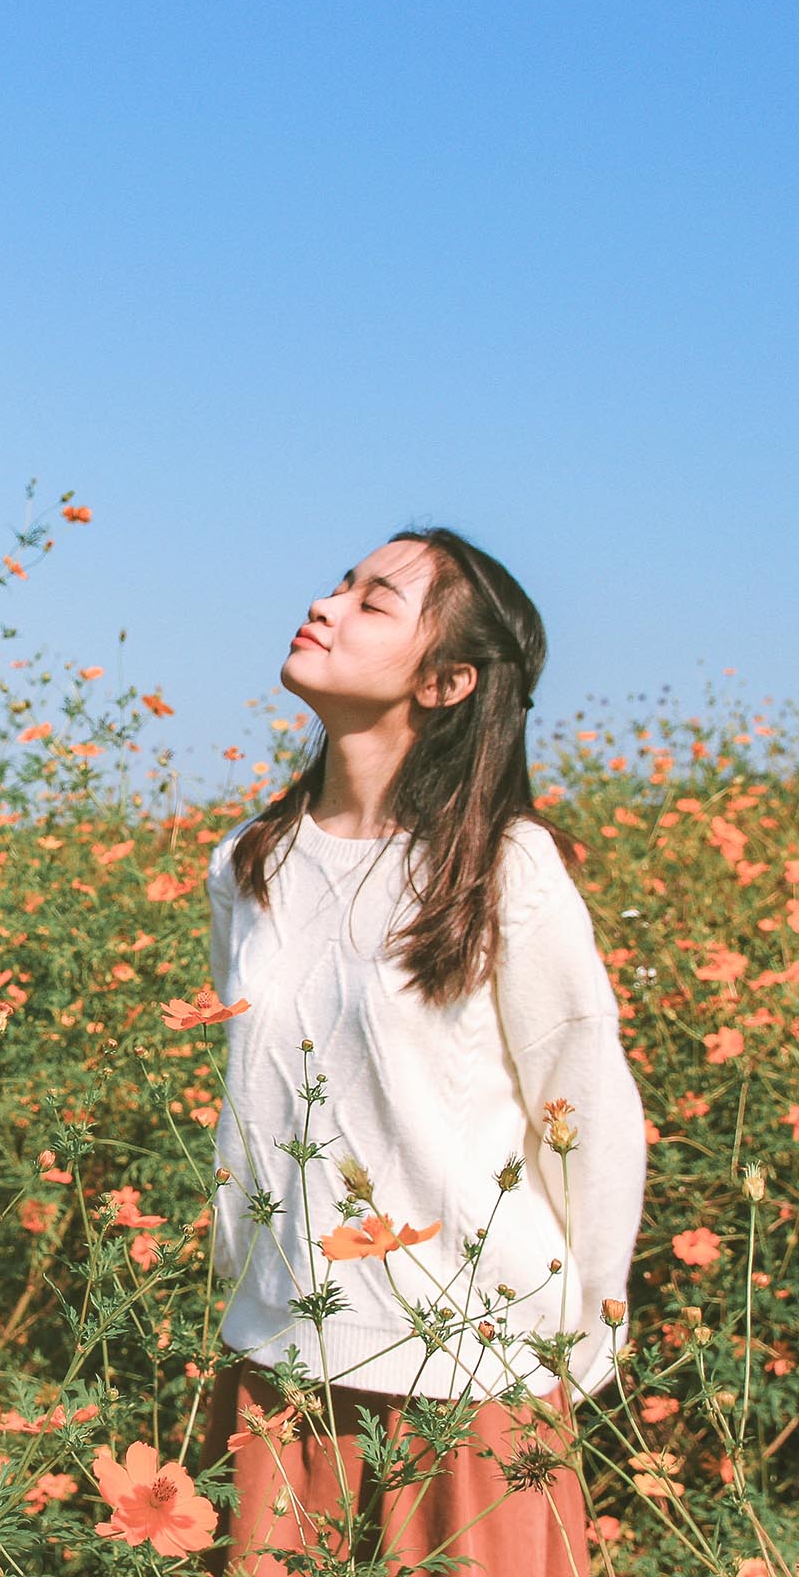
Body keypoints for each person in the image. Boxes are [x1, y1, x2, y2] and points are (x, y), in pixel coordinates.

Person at [199, 528, 647, 1576]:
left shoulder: (504, 867)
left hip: (472, 1380)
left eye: (373, 601)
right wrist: (248, 1282)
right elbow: (256, 1102)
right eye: (340, 581)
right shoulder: (249, 863)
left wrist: (569, 1348)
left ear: (446, 681)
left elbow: (586, 1110)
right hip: (283, 1360)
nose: (328, 600)